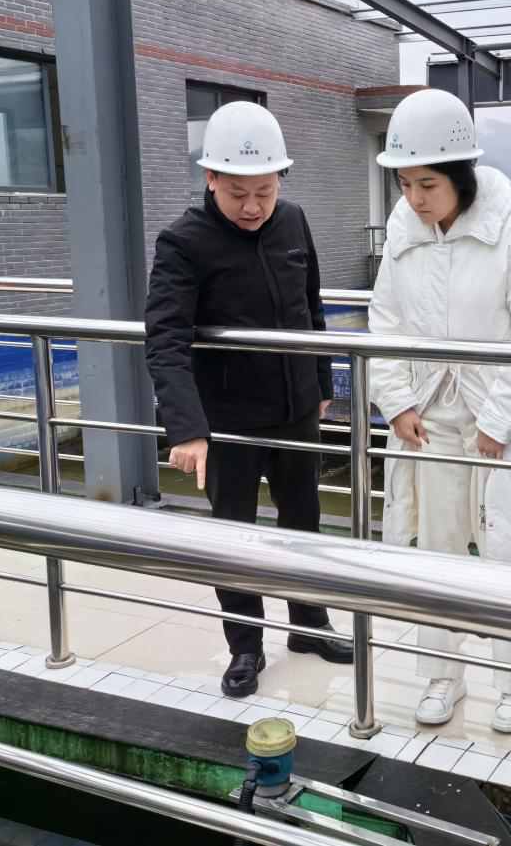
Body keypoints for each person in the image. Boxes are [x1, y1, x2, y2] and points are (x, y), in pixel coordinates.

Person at [368, 88, 511, 735]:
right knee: (436, 551)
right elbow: (384, 324)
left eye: (427, 183)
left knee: (507, 553)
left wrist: (499, 420)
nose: (414, 197)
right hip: (431, 416)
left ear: (460, 175)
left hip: (499, 421)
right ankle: (442, 675)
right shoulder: (403, 236)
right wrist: (396, 402)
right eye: (405, 183)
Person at [145, 100, 353, 699]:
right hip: (228, 417)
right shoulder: (183, 242)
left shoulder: (293, 221)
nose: (254, 206)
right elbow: (165, 337)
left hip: (296, 408)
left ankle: (309, 625)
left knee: (303, 520)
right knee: (234, 534)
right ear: (210, 177)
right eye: (238, 193)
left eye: (265, 190)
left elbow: (311, 309)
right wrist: (187, 428)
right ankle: (245, 645)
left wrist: (321, 384)